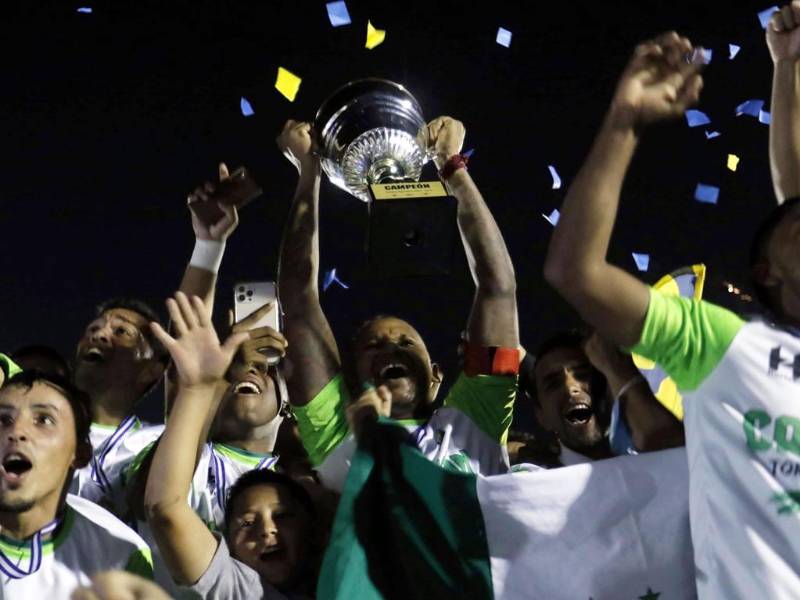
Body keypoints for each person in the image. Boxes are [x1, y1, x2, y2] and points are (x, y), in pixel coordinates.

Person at [543, 27, 800, 598]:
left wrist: (789, 66)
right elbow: (575, 271)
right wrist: (625, 120)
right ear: (769, 274)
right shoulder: (725, 346)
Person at [276, 116, 520, 492]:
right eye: (373, 346)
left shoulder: (475, 421)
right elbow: (298, 298)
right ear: (351, 381)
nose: (391, 347)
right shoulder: (338, 436)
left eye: (407, 344)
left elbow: (497, 286)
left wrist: (452, 167)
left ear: (437, 376)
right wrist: (309, 172)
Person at [144, 292, 317, 599]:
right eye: (247, 522)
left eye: (267, 369)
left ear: (286, 404)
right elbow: (160, 503)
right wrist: (212, 379)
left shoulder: (307, 486)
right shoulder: (182, 460)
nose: (250, 370)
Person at [0, 370, 152, 599]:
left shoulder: (120, 553)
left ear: (80, 453)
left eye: (44, 420)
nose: (16, 432)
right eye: (3, 420)